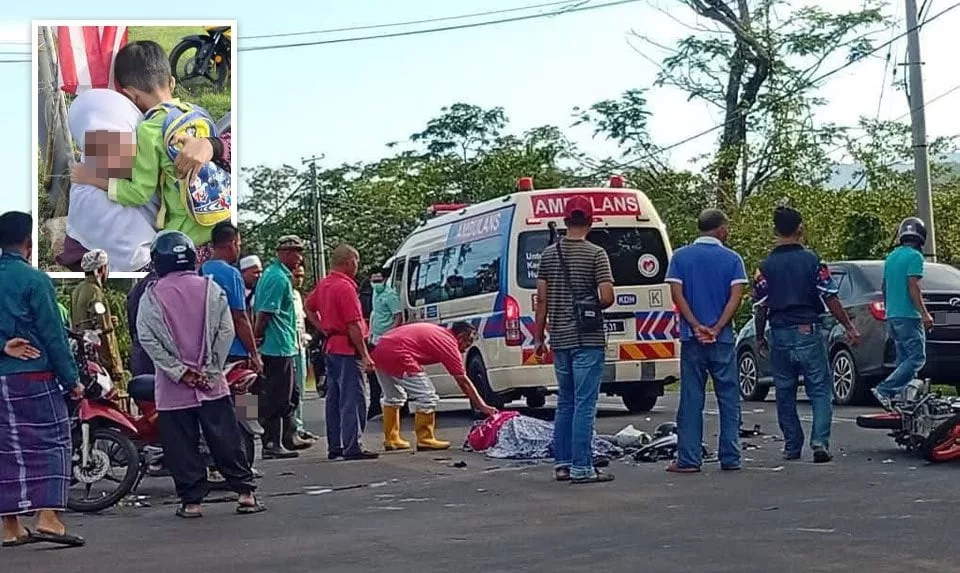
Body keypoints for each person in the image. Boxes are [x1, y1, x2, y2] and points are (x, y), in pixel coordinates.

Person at [136, 230, 264, 518]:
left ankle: (191, 503)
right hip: (212, 384)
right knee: (226, 438)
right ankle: (245, 494)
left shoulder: (151, 296)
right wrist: (210, 370)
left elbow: (147, 339)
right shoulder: (211, 288)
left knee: (181, 446)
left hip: (172, 389)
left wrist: (180, 372)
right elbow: (226, 330)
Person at [69, 40, 212, 256]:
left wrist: (93, 178)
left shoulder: (149, 130)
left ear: (131, 95)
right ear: (172, 82)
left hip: (188, 230)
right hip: (217, 214)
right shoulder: (198, 114)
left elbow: (139, 193)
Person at [0, 211, 86, 548]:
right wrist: (72, 379)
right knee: (53, 442)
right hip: (34, 377)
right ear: (29, 243)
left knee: (5, 448)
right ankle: (48, 518)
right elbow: (53, 336)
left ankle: (10, 527)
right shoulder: (35, 280)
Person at [752, 205, 860, 464]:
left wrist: (759, 336)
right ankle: (819, 442)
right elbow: (830, 296)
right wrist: (848, 326)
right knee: (820, 389)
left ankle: (792, 445)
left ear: (775, 230)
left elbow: (760, 306)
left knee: (784, 391)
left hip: (779, 332)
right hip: (808, 330)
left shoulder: (764, 267)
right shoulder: (814, 261)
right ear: (799, 228)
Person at [533, 196, 616, 484]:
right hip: (588, 338)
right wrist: (589, 303)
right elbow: (607, 297)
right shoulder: (596, 254)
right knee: (585, 404)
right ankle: (582, 467)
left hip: (560, 339)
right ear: (591, 222)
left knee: (565, 402)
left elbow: (541, 300)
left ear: (566, 221)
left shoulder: (548, 255)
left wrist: (538, 338)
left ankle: (563, 464)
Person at [663, 209, 748, 473]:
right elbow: (736, 297)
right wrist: (717, 327)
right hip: (721, 339)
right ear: (720, 229)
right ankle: (730, 456)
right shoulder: (733, 259)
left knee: (691, 398)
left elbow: (677, 295)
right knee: (728, 398)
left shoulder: (680, 257)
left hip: (692, 339)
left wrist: (695, 325)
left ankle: (688, 458)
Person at [57, 88, 159, 272]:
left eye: (120, 138)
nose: (114, 153)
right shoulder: (88, 193)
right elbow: (135, 257)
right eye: (102, 143)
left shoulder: (148, 159)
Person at [371, 322, 498, 451]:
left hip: (379, 350)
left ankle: (391, 439)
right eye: (468, 342)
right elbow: (463, 381)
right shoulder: (448, 343)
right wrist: (482, 406)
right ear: (460, 337)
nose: (467, 348)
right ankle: (425, 439)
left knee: (393, 396)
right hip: (398, 353)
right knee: (427, 396)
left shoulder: (440, 333)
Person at [306, 244, 379, 461]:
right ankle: (352, 445)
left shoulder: (324, 284)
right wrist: (365, 354)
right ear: (349, 262)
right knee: (353, 398)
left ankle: (335, 444)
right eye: (356, 261)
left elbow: (309, 307)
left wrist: (323, 328)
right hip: (347, 348)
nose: (357, 266)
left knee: (334, 399)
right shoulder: (345, 287)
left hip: (331, 347)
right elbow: (354, 324)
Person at [254, 236, 312, 458]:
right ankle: (272, 443)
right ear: (283, 253)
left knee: (291, 394)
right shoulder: (277, 278)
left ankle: (288, 436)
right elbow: (265, 314)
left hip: (285, 345)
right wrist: (257, 337)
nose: (299, 257)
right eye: (295, 252)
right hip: (276, 347)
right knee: (276, 397)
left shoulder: (279, 275)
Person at [872, 217, 932, 409]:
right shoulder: (915, 257)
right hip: (909, 316)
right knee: (917, 358)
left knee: (903, 360)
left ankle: (904, 400)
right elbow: (913, 286)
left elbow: (884, 287)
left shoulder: (891, 257)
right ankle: (885, 390)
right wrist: (924, 314)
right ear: (921, 237)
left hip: (893, 315)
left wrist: (889, 309)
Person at [70, 249, 125, 382]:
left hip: (83, 358)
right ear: (101, 269)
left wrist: (109, 320)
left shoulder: (77, 291)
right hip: (100, 361)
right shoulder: (95, 293)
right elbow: (104, 330)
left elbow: (83, 321)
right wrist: (115, 366)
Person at [291, 263, 319, 441]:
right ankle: (254, 433)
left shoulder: (296, 296)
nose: (299, 280)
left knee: (298, 390)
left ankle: (296, 427)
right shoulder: (257, 295)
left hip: (297, 346)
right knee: (249, 396)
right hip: (250, 351)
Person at [128, 270, 160, 377]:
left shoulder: (135, 290)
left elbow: (132, 326)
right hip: (157, 352)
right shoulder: (158, 287)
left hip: (139, 349)